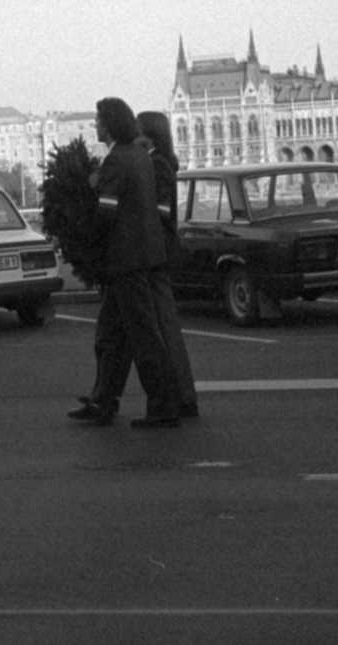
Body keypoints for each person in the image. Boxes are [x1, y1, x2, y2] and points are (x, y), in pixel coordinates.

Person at [69, 97, 181, 429]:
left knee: (142, 336)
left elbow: (107, 212)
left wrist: (88, 240)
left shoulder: (118, 159)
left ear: (111, 123)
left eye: (99, 119)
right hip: (141, 257)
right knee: (111, 336)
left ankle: (162, 405)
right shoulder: (139, 156)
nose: (95, 125)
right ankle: (103, 400)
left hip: (125, 261)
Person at [137, 110, 198, 419]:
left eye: (137, 128)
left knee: (164, 326)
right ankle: (181, 396)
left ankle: (180, 397)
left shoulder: (157, 164)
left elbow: (161, 210)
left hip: (157, 251)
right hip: (161, 249)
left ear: (148, 133)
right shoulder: (161, 161)